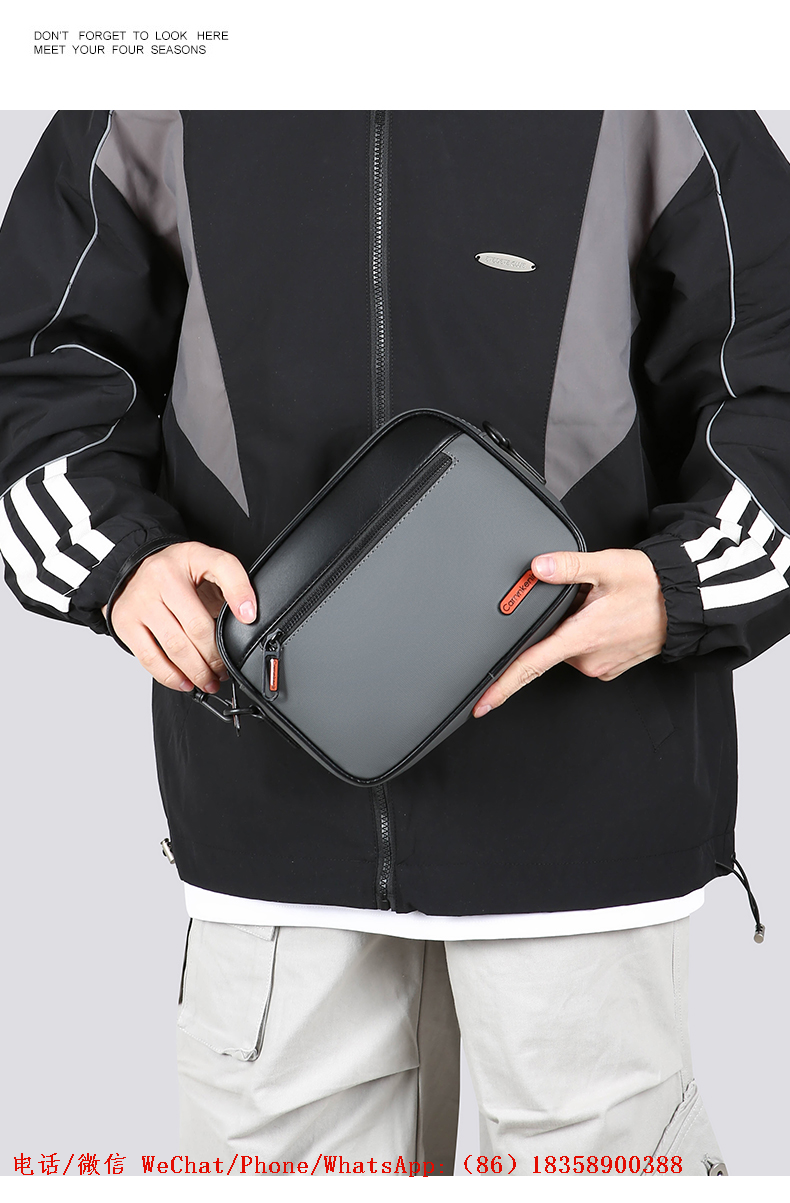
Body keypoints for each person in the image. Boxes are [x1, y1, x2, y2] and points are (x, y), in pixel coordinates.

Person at [1, 109, 788, 1176]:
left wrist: (681, 586)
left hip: (580, 811)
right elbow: (38, 361)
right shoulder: (161, 86)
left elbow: (771, 358)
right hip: (271, 801)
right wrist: (118, 561)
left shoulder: (642, 75)